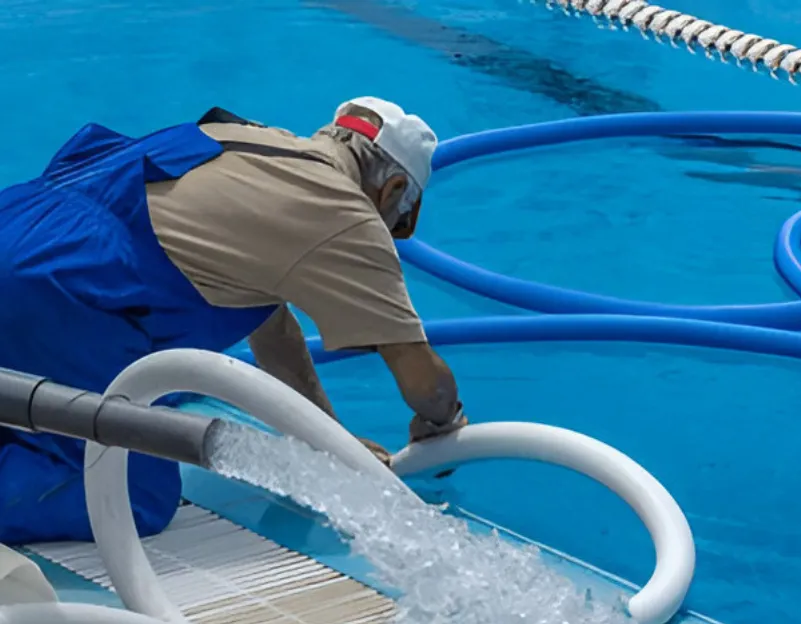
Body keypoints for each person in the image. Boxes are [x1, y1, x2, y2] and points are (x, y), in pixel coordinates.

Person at [0, 97, 466, 545]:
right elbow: (426, 383)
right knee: (130, 491)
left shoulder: (242, 138)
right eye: (400, 224)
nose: (393, 235)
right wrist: (442, 421)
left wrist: (329, 443)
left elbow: (271, 327)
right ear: (394, 191)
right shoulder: (345, 214)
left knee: (143, 393)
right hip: (61, 288)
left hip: (19, 226)